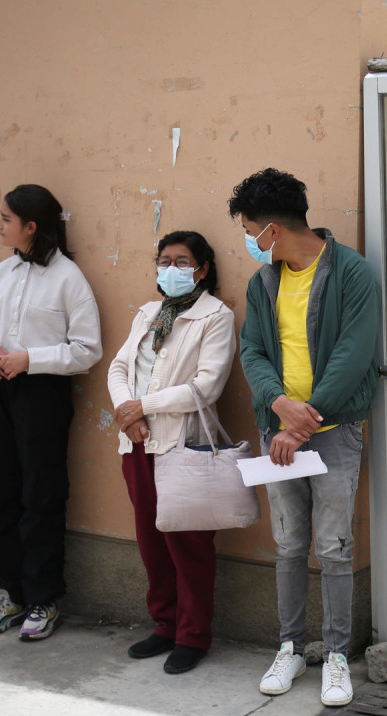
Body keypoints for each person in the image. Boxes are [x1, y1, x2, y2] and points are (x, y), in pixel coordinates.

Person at [229, 168, 380, 707]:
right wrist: (277, 407)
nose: (247, 240)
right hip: (278, 432)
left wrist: (304, 420)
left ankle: (337, 656)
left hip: (333, 433)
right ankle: (291, 646)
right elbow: (253, 351)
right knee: (290, 545)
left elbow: (353, 355)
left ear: (272, 228)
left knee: (335, 547)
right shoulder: (263, 281)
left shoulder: (351, 274)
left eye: (249, 228)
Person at [0, 184, 102, 641]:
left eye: (6, 218)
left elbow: (87, 350)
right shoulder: (0, 273)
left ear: (32, 226)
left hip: (42, 392)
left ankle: (43, 597)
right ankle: (9, 590)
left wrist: (31, 359)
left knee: (41, 492)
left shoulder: (69, 278)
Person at [107, 231, 236, 674]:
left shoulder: (215, 316)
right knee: (151, 542)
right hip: (138, 441)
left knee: (189, 545)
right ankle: (164, 625)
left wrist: (145, 406)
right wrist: (130, 415)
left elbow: (207, 385)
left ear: (202, 269)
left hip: (182, 445)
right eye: (165, 260)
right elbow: (120, 367)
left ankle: (193, 634)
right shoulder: (148, 313)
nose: (171, 269)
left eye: (183, 262)